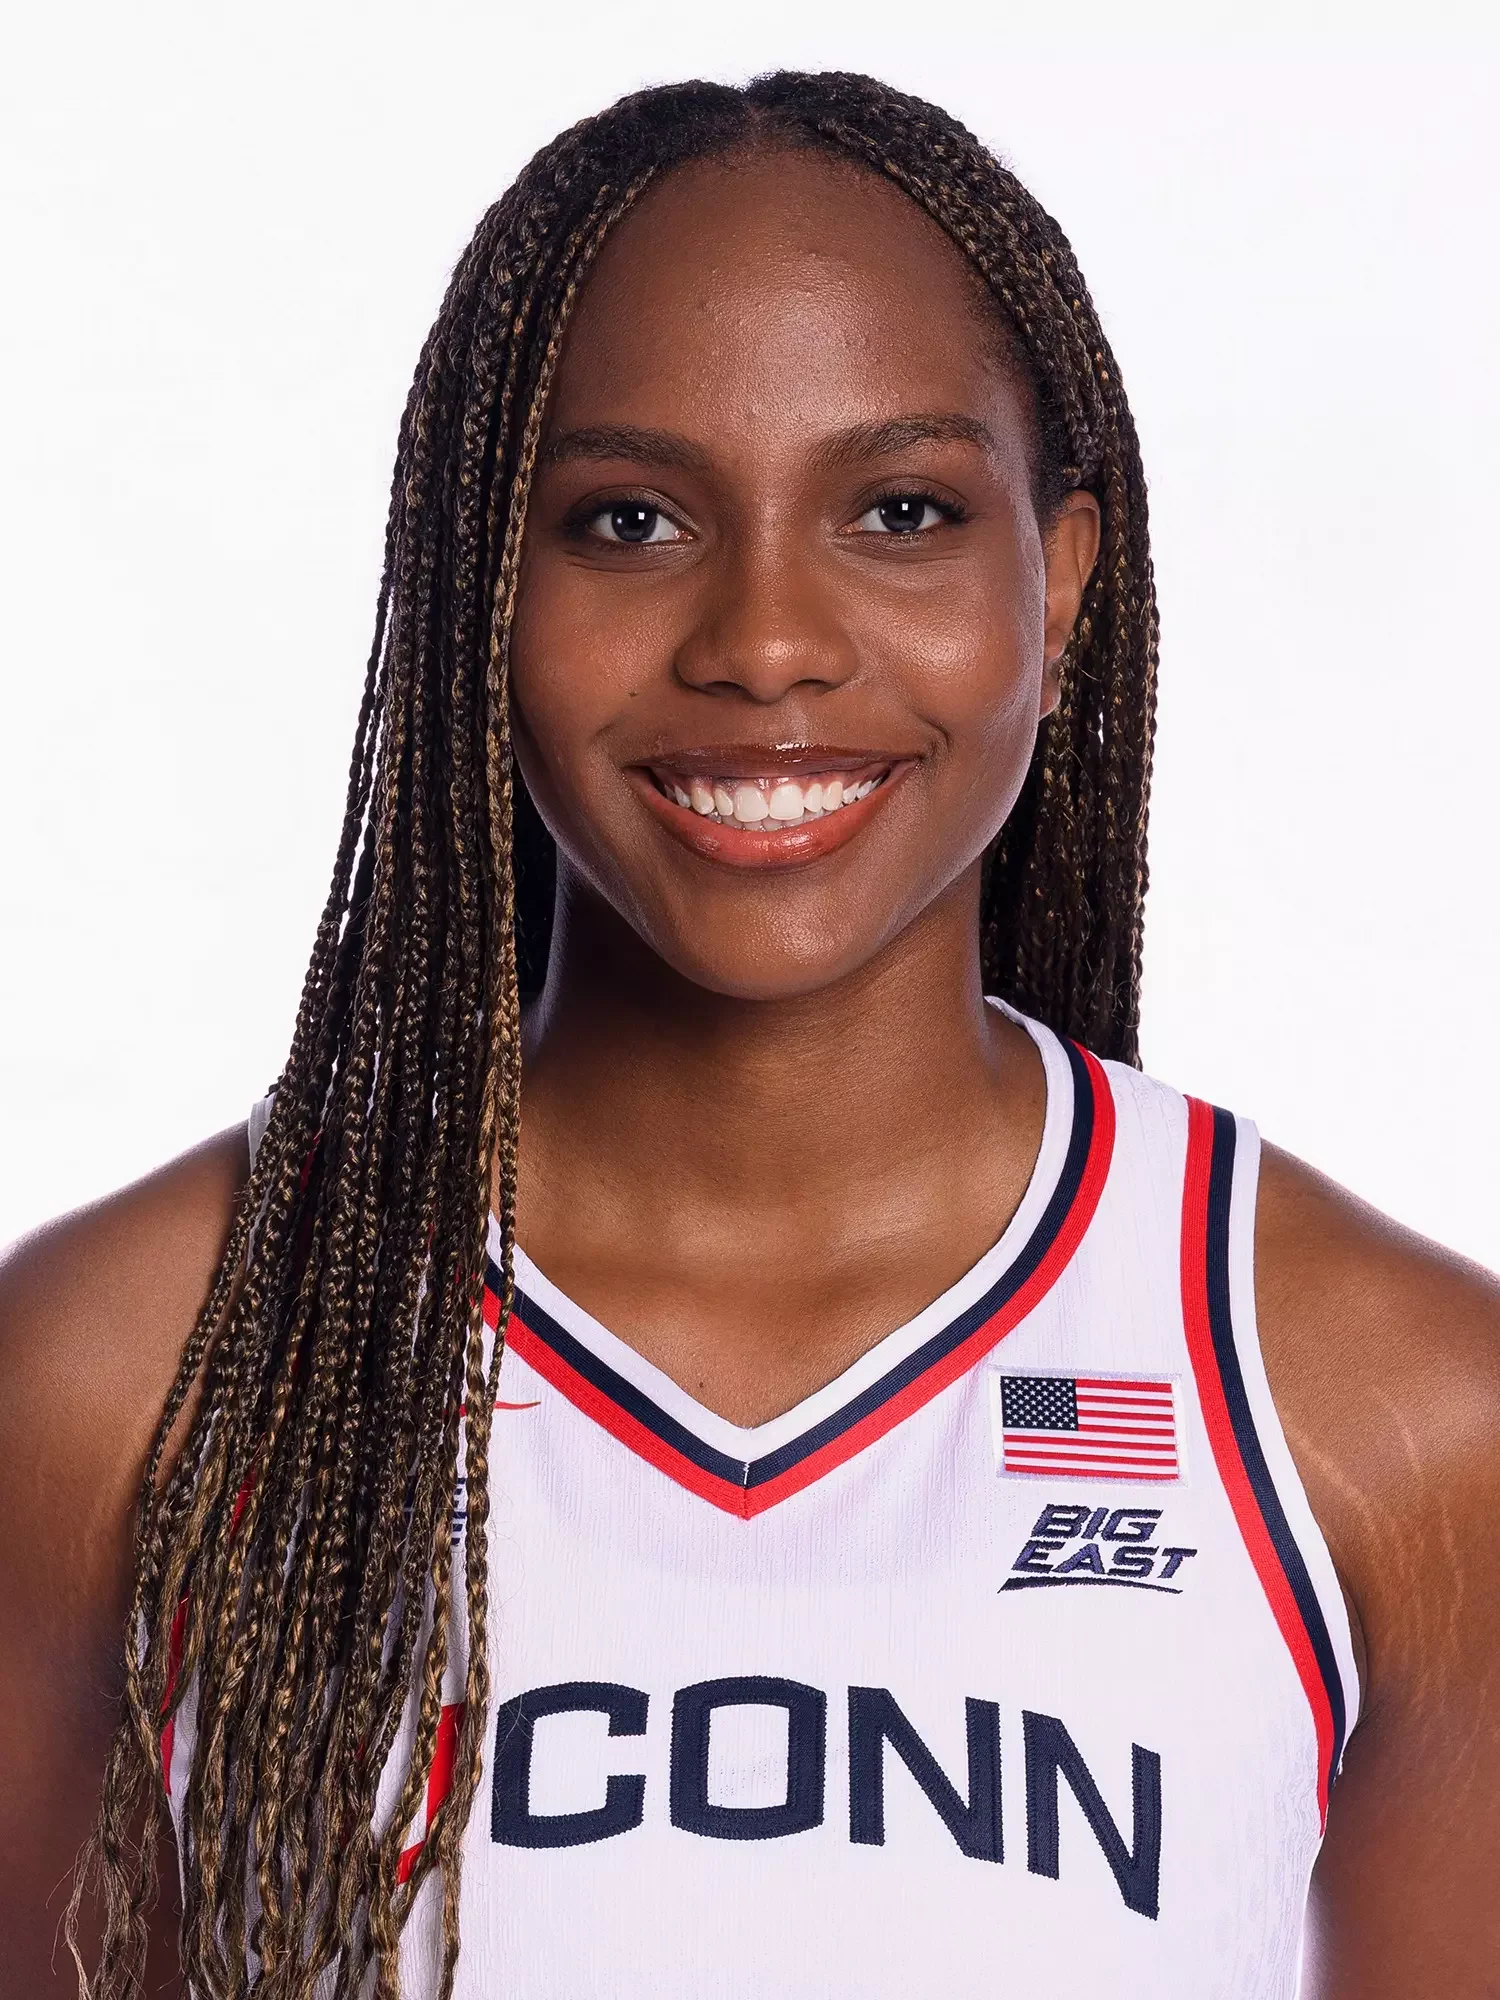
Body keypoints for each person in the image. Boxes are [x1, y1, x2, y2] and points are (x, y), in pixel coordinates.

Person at [1, 69, 1496, 2000]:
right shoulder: (124, 1377)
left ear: (1057, 586)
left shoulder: (1388, 1417)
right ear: (479, 592)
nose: (766, 641)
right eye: (626, 520)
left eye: (900, 511)